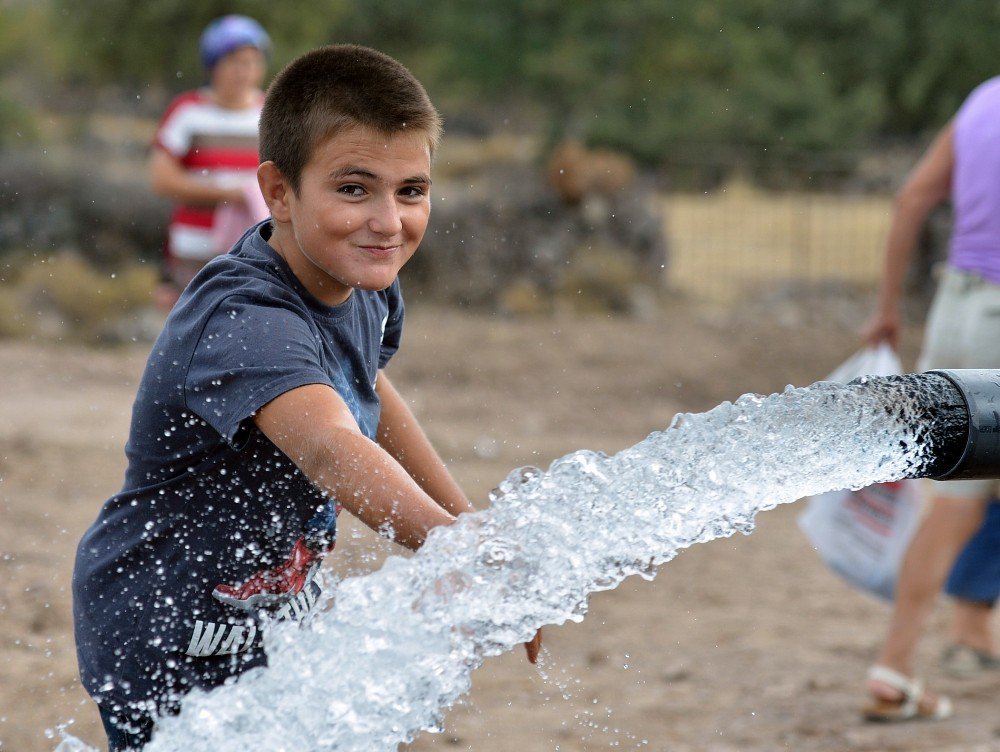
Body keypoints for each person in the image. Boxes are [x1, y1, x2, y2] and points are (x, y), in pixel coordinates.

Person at [73, 44, 542, 751]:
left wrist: (468, 529)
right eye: (355, 189)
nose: (388, 222)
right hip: (159, 626)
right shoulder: (244, 317)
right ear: (280, 192)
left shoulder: (360, 288)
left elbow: (369, 392)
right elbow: (330, 446)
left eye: (411, 190)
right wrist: (462, 557)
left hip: (268, 613)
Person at [860, 75, 1000, 722]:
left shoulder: (980, 100)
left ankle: (893, 668)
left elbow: (913, 196)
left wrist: (888, 308)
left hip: (956, 309)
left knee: (951, 507)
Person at [149, 14, 272, 311]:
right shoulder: (187, 111)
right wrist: (229, 193)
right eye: (234, 61)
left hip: (255, 252)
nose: (243, 71)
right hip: (193, 252)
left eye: (252, 61)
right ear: (212, 65)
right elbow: (162, 180)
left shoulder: (272, 112)